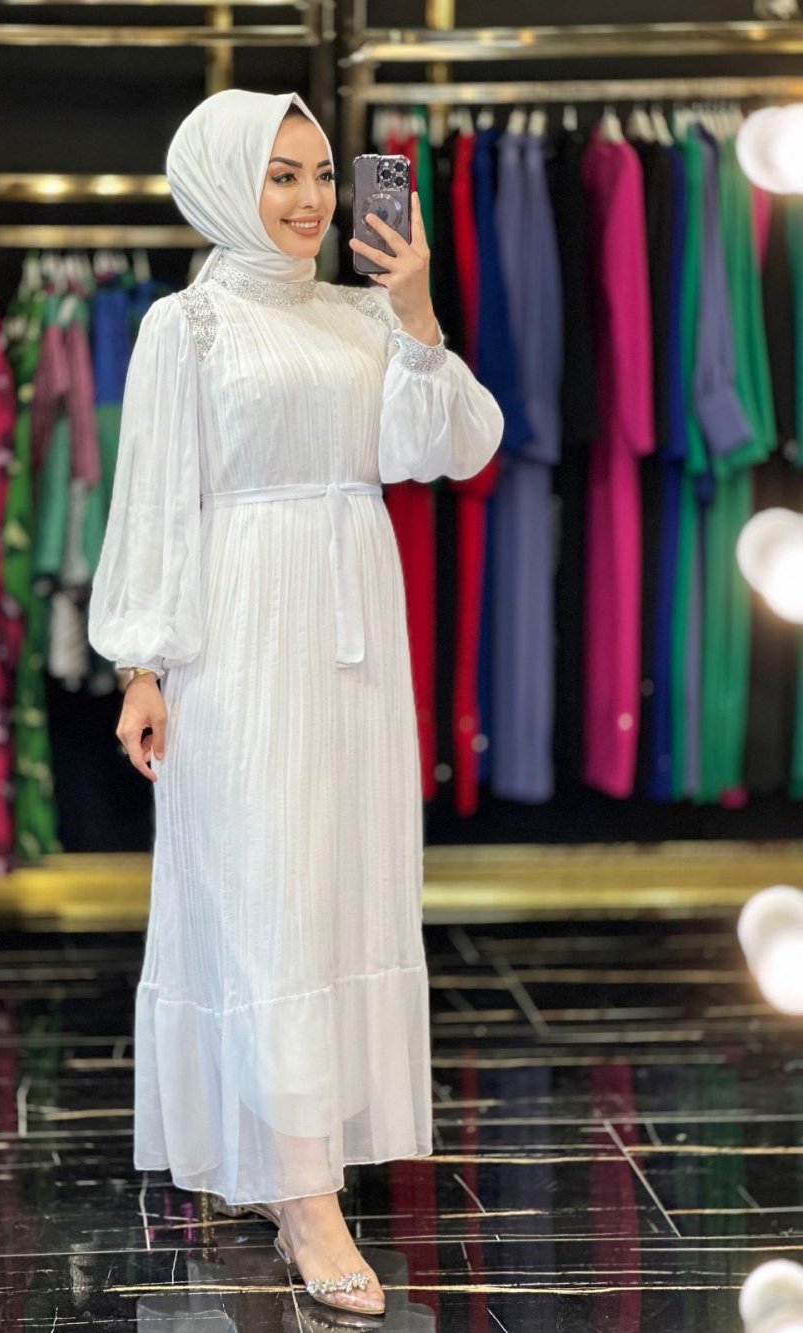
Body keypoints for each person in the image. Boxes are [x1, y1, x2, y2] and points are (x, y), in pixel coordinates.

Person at [88, 88, 503, 1317]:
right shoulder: (187, 326)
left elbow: (449, 445)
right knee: (261, 888)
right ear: (225, 180)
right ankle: (307, 1202)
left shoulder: (358, 312)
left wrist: (414, 306)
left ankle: (290, 1159)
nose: (312, 198)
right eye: (281, 174)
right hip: (240, 631)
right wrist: (144, 661)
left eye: (323, 173)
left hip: (354, 629)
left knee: (335, 888)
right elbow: (155, 494)